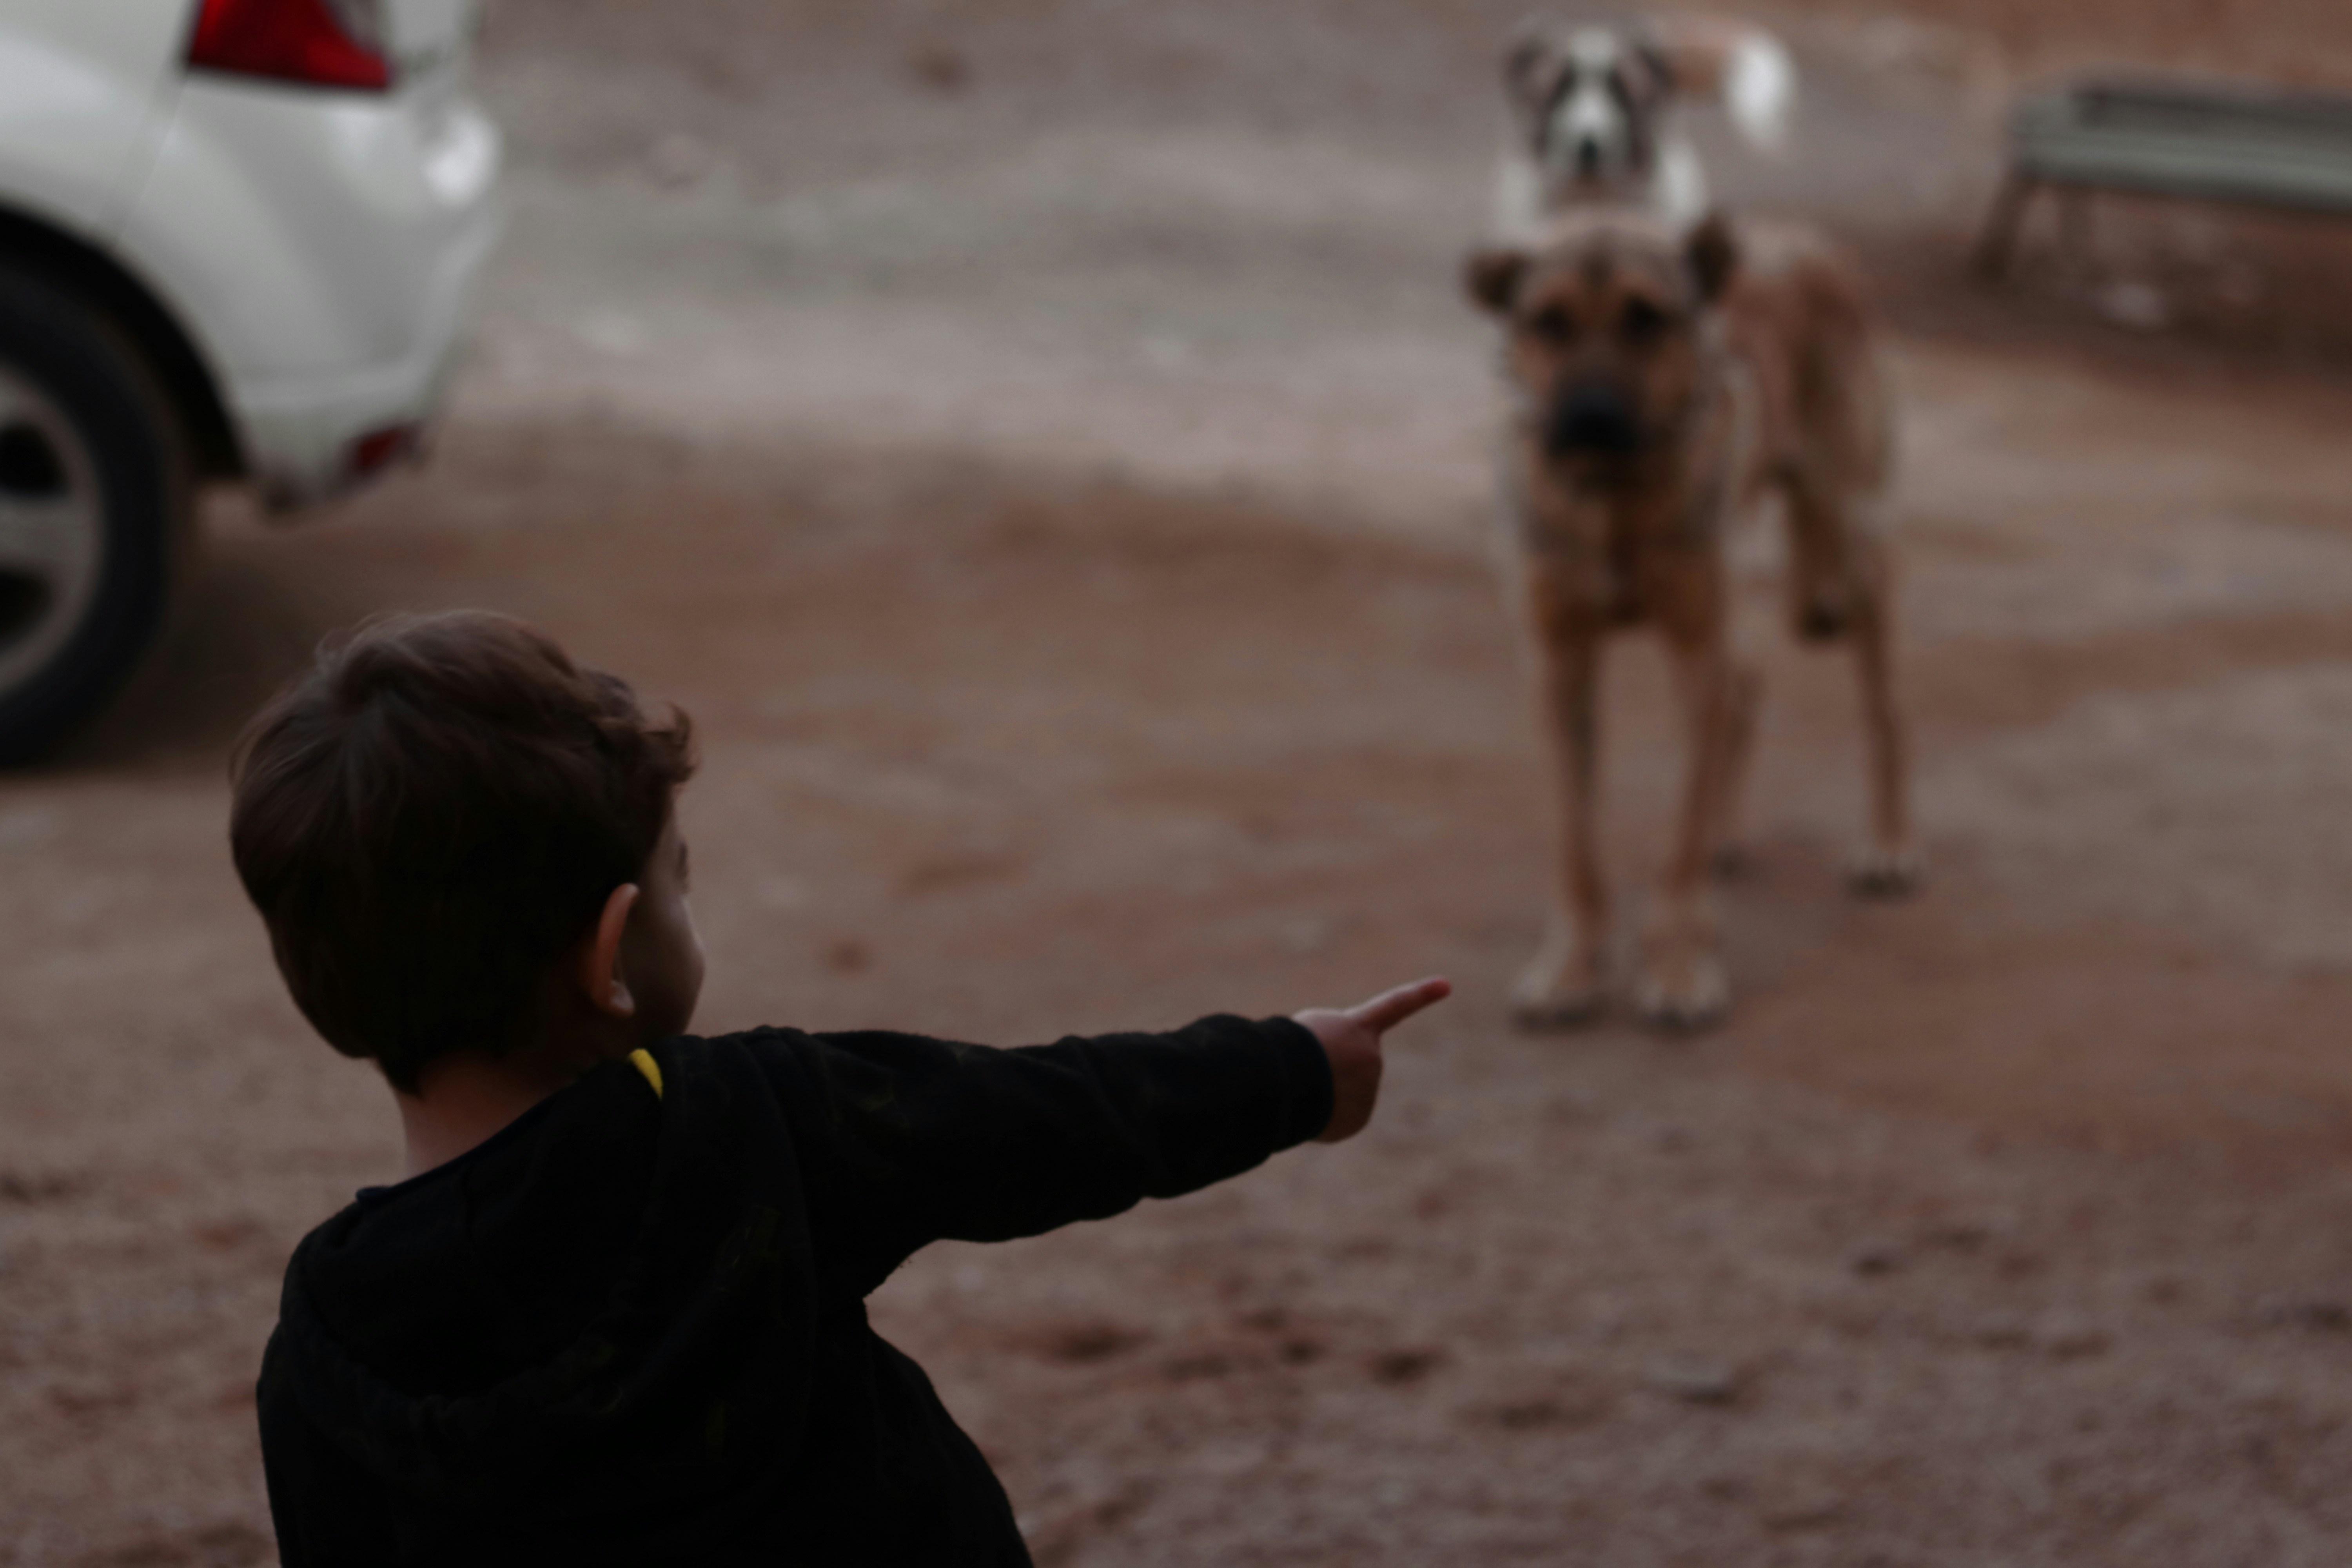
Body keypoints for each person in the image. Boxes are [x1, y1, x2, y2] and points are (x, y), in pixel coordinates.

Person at [231, 609, 1450, 1566]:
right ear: (610, 959)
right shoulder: (752, 1127)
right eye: (677, 879)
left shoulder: (325, 1350)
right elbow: (1057, 1118)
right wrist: (1296, 1070)